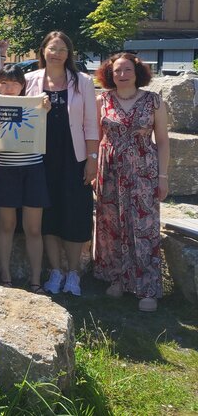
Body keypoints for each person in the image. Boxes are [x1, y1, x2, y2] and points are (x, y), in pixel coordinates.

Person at [94, 53, 169, 312]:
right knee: (111, 224)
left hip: (143, 170)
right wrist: (93, 170)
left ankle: (147, 287)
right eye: (117, 70)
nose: (122, 74)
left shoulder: (153, 101)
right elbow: (97, 137)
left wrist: (163, 176)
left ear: (137, 73)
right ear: (110, 74)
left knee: (144, 226)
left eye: (127, 69)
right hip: (110, 170)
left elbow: (163, 141)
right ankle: (117, 279)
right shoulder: (102, 100)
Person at [25, 31, 98, 297]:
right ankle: (55, 271)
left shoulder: (83, 81)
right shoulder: (29, 80)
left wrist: (92, 160)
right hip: (40, 158)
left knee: (75, 213)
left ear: (69, 54)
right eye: (52, 48)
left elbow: (91, 124)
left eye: (62, 49)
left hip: (74, 157)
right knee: (48, 214)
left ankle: (74, 273)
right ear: (43, 50)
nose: (56, 54)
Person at [0, 65, 51, 292]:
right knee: (6, 225)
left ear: (23, 86)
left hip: (33, 169)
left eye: (14, 83)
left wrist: (44, 109)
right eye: (4, 83)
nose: (9, 88)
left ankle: (36, 280)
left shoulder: (34, 105)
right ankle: (5, 277)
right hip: (4, 170)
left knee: (33, 229)